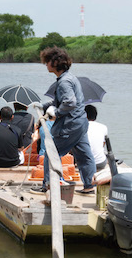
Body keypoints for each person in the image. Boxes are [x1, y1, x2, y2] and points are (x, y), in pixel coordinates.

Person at [30, 46, 96, 195]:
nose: (45, 65)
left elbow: (70, 102)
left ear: (55, 62)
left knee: (51, 154)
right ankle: (90, 185)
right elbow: (61, 101)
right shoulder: (70, 77)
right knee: (84, 155)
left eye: (47, 62)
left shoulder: (64, 82)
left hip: (70, 126)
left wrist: (57, 113)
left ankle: (47, 185)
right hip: (80, 123)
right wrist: (45, 105)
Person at [85, 104, 108, 170]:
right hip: (100, 163)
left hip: (86, 164)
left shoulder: (80, 127)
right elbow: (103, 145)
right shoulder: (103, 127)